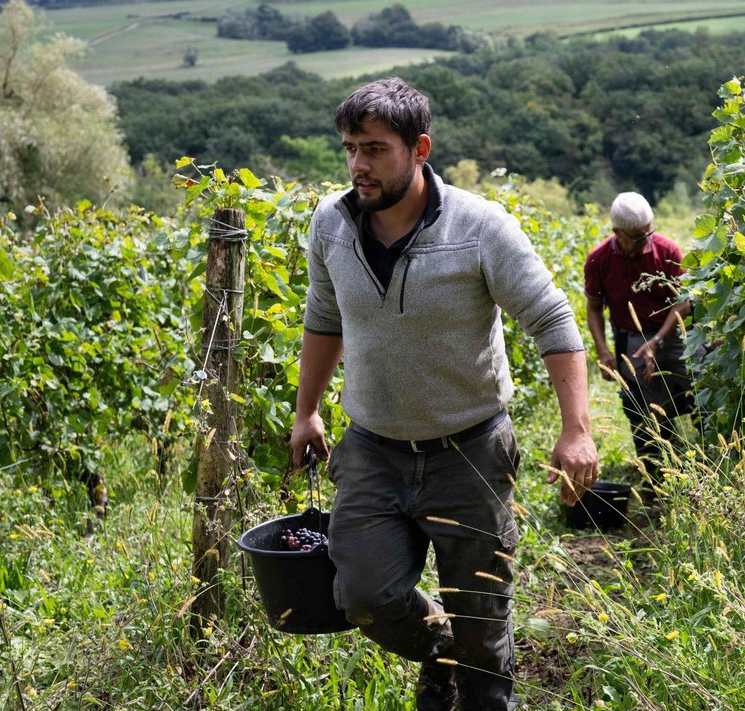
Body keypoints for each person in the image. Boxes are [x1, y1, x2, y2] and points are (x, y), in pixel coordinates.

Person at [289, 77, 599, 711]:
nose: (357, 165)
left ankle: (479, 685)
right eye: (350, 147)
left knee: (484, 616)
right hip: (373, 448)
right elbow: (324, 318)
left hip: (469, 452)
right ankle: (441, 651)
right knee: (365, 598)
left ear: (419, 149)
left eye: (375, 149)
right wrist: (307, 411)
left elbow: (554, 321)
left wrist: (578, 430)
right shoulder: (331, 221)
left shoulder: (480, 228)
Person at [584, 192, 695, 500]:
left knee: (688, 394)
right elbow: (594, 307)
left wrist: (657, 341)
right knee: (640, 408)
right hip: (629, 337)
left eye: (649, 231)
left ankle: (696, 465)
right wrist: (603, 351)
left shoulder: (667, 251)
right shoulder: (599, 259)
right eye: (637, 237)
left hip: (671, 332)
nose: (646, 240)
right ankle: (655, 479)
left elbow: (683, 304)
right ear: (617, 233)